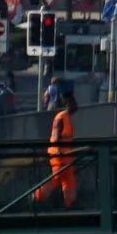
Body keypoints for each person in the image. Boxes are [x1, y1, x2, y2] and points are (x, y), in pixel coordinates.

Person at [43, 79, 81, 208]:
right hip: (59, 159)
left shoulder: (67, 118)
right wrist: (58, 151)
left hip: (67, 159)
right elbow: (56, 138)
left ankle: (69, 206)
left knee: (69, 185)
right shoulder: (61, 117)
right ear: (68, 104)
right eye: (73, 103)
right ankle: (37, 197)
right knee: (56, 180)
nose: (76, 106)